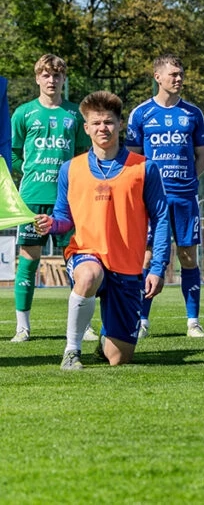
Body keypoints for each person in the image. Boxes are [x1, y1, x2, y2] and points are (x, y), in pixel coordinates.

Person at [34, 90, 171, 370]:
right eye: (96, 123)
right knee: (89, 275)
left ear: (120, 124)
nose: (102, 128)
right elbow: (63, 218)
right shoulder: (70, 169)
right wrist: (51, 224)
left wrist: (157, 267)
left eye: (108, 122)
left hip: (127, 266)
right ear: (86, 128)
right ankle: (72, 351)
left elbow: (161, 219)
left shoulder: (144, 168)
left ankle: (106, 340)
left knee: (119, 358)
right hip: (86, 253)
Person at [126, 54, 204, 338]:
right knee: (148, 256)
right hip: (151, 200)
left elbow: (202, 156)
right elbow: (133, 159)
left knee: (188, 256)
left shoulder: (193, 113)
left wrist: (189, 181)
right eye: (173, 74)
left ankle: (193, 322)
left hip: (185, 197)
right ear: (157, 77)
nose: (179, 78)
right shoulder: (141, 114)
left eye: (181, 73)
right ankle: (141, 321)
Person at [9, 55, 89, 342]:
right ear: (37, 78)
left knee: (76, 261)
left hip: (67, 199)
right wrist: (31, 171)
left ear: (64, 79)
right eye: (46, 75)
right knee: (29, 260)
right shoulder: (23, 113)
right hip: (32, 198)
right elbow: (14, 153)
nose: (51, 80)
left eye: (57, 75)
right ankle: (22, 327)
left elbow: (82, 155)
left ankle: (83, 326)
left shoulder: (75, 114)